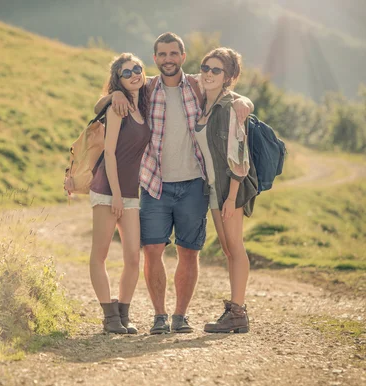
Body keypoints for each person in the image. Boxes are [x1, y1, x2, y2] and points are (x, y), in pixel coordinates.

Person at [95, 33, 253, 334]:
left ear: (182, 57)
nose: (168, 59)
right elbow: (103, 104)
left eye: (173, 53)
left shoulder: (196, 84)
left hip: (194, 184)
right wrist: (112, 95)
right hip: (155, 185)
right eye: (162, 54)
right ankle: (159, 316)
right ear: (155, 59)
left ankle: (180, 316)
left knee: (188, 251)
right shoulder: (146, 87)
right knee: (153, 250)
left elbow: (229, 95)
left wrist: (246, 99)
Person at [194, 48, 258, 333]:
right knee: (227, 250)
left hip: (229, 189)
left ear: (228, 77)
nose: (208, 73)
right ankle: (235, 311)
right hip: (213, 188)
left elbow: (239, 157)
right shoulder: (203, 101)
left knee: (235, 248)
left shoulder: (230, 107)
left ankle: (238, 311)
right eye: (205, 67)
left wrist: (232, 198)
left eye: (216, 70)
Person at [88, 53, 152, 334]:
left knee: (133, 258)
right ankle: (109, 317)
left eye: (137, 69)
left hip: (131, 192)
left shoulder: (143, 104)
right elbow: (110, 153)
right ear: (118, 80)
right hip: (107, 190)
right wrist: (115, 194)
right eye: (126, 73)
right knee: (99, 254)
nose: (134, 74)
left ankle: (123, 314)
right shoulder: (117, 108)